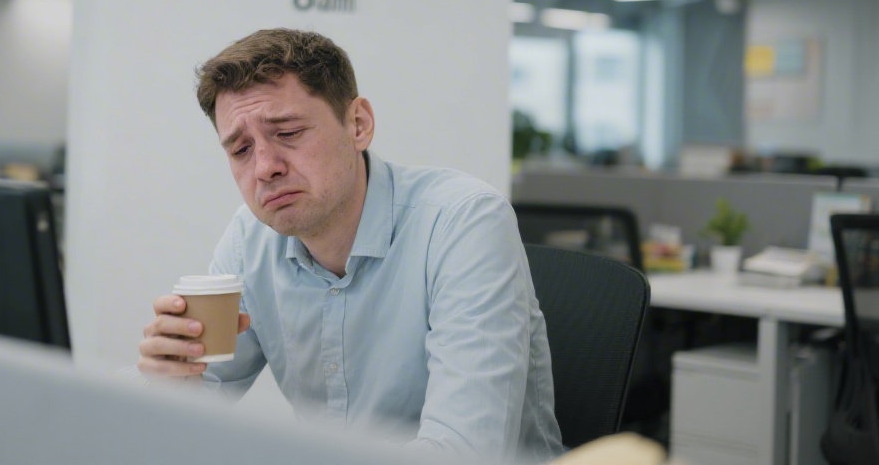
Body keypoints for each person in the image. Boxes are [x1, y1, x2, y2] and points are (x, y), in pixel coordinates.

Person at [138, 28, 564, 461]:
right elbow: (193, 411)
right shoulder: (251, 236)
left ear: (358, 124)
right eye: (241, 149)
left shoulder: (463, 222)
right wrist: (173, 384)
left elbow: (463, 453)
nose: (265, 168)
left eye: (287, 133)